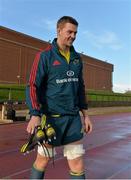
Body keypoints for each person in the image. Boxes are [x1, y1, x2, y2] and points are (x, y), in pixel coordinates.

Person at [26, 16, 92, 179]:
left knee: (77, 163)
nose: (73, 36)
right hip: (51, 120)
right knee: (43, 160)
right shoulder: (44, 56)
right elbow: (32, 85)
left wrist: (86, 115)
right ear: (59, 30)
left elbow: (80, 88)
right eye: (69, 32)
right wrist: (35, 114)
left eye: (75, 33)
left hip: (72, 119)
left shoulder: (77, 58)